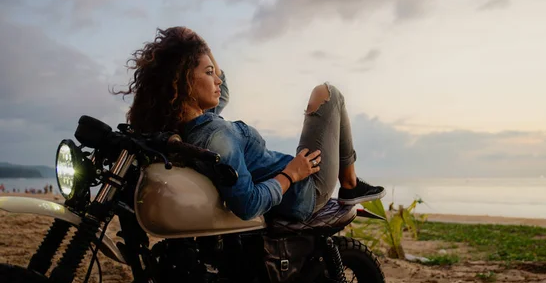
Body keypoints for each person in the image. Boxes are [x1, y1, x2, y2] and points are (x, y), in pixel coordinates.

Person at [116, 27, 384, 222]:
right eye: (208, 73)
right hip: (305, 189)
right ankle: (349, 184)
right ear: (184, 83)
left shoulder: (191, 128)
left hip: (295, 184)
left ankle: (347, 185)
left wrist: (198, 45)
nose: (218, 79)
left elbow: (224, 87)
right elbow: (248, 204)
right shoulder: (216, 137)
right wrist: (291, 174)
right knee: (327, 93)